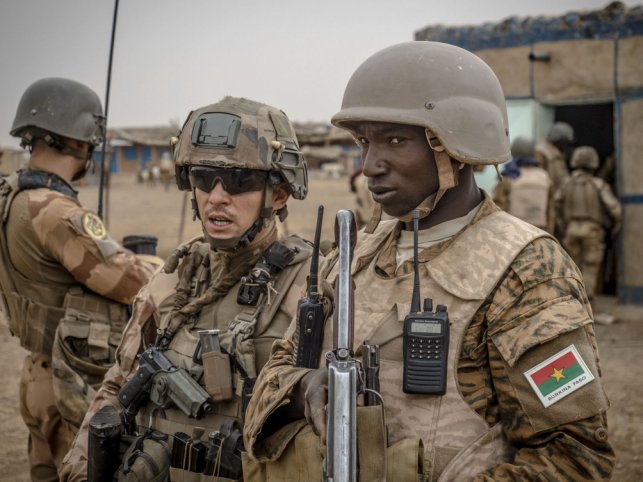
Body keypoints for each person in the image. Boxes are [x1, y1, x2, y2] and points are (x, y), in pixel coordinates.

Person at [242, 42, 614, 481]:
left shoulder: (527, 270)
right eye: (364, 141)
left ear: (454, 147)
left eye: (394, 141)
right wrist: (304, 389)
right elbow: (273, 375)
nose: (369, 165)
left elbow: (575, 459)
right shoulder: (352, 255)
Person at [60, 96, 313, 481]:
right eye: (201, 177)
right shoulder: (175, 275)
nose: (216, 196)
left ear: (278, 194)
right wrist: (80, 467)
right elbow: (118, 382)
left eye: (239, 180)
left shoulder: (310, 286)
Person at [0, 77, 160, 482]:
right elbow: (129, 282)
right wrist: (158, 264)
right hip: (68, 378)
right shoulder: (55, 211)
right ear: (79, 141)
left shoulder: (12, 196)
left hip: (37, 372)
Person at [557, 146, 622, 300]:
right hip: (592, 230)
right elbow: (615, 209)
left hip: (571, 229)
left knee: (573, 267)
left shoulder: (566, 183)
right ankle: (586, 304)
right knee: (591, 267)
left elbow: (555, 204)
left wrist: (562, 225)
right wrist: (616, 224)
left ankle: (572, 302)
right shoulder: (598, 184)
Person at [492, 136, 555, 233]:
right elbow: (550, 209)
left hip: (514, 232)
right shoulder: (545, 177)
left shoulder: (509, 177)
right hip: (540, 232)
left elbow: (498, 208)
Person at [535, 121, 574, 198]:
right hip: (548, 197)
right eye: (566, 142)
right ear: (559, 140)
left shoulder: (557, 154)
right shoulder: (541, 152)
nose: (566, 145)